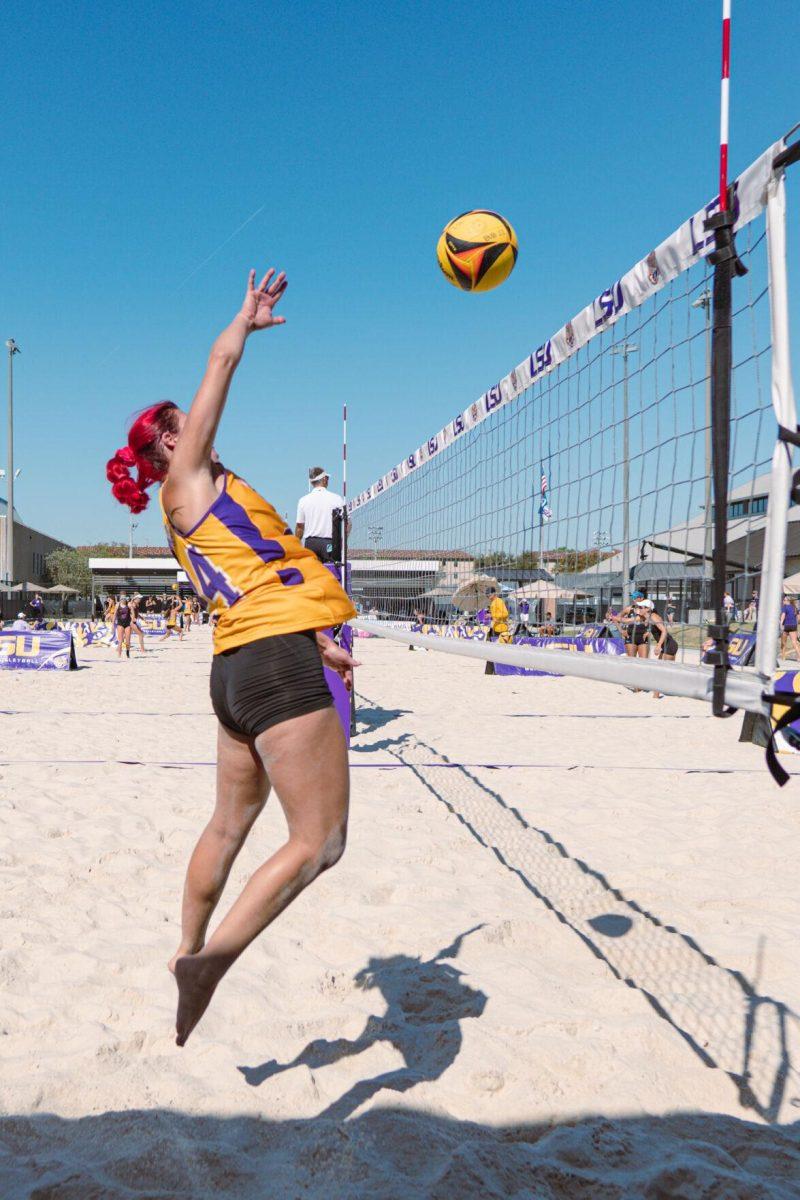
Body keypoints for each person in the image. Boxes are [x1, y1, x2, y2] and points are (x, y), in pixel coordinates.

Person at [105, 265, 357, 1047]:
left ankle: (185, 951)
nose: (202, 424)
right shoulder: (187, 475)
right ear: (173, 440)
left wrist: (317, 633)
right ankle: (208, 965)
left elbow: (256, 571)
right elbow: (218, 367)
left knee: (227, 827)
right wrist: (243, 324)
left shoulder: (201, 498)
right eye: (186, 421)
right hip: (269, 664)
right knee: (320, 842)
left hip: (237, 668)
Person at [294, 467, 348, 563]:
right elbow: (347, 524)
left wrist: (295, 546)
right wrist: (343, 541)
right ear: (324, 479)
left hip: (311, 544)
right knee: (331, 575)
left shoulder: (303, 501)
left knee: (313, 575)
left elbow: (299, 528)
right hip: (329, 542)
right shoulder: (337, 499)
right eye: (327, 478)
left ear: (311, 482)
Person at [642, 599, 678, 699]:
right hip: (666, 645)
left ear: (648, 609)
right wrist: (648, 632)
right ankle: (657, 694)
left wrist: (658, 645)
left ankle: (656, 695)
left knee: (661, 671)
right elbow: (655, 628)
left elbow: (664, 631)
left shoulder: (653, 616)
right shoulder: (649, 617)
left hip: (669, 645)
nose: (638, 608)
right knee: (665, 670)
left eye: (641, 607)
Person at [780, 595, 799, 661]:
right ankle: (799, 657)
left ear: (788, 601)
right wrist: (796, 626)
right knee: (794, 642)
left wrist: (781, 624)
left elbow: (783, 616)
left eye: (784, 600)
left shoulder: (785, 607)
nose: (783, 601)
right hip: (793, 626)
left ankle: (783, 657)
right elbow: (798, 618)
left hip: (786, 626)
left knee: (783, 642)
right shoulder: (794, 607)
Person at [115, 594, 134, 659]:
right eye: (122, 599)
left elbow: (133, 613)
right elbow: (115, 615)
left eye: (124, 599)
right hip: (120, 623)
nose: (123, 600)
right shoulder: (117, 605)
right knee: (120, 641)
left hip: (127, 623)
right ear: (120, 599)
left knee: (128, 641)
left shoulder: (128, 605)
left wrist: (132, 621)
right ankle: (119, 655)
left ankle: (127, 652)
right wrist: (112, 624)